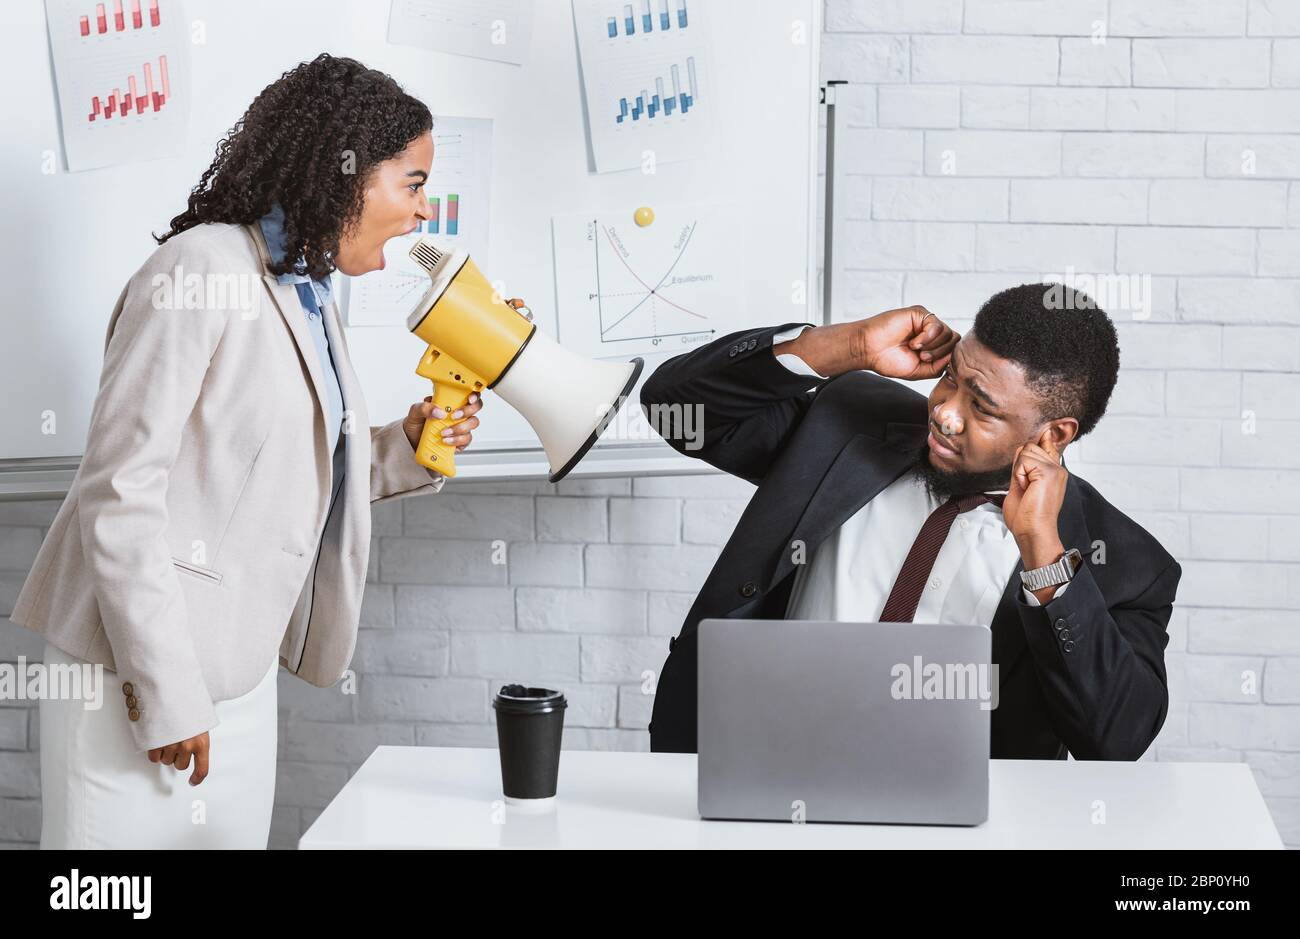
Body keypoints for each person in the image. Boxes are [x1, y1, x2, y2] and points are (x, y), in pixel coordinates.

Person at [10, 54, 488, 848]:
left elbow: (282, 470)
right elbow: (120, 490)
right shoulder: (197, 269)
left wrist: (405, 445)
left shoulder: (309, 294)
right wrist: (165, 694)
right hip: (132, 679)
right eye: (411, 184)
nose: (423, 211)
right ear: (345, 174)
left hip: (239, 679)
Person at [642, 284, 1181, 760]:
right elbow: (674, 406)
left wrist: (1044, 556)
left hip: (958, 829)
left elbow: (1115, 741)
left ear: (1054, 435)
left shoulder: (1126, 562)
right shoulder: (848, 424)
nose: (944, 412)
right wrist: (848, 347)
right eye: (951, 377)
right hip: (756, 765)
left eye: (983, 407)